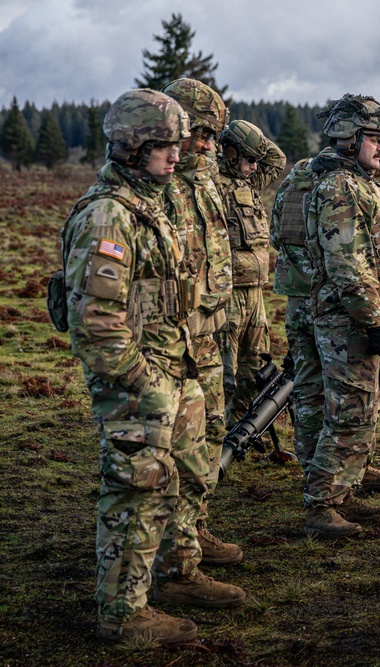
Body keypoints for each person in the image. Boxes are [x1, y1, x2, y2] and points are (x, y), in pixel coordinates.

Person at [61, 89, 243, 646]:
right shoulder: (109, 215)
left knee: (171, 483)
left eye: (177, 141)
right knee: (135, 491)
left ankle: (174, 574)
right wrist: (145, 382)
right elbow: (96, 324)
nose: (176, 152)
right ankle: (122, 614)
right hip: (137, 382)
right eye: (164, 143)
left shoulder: (149, 200)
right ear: (133, 146)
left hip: (169, 369)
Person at [298, 94, 380, 538]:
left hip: (361, 317)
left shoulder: (361, 182)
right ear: (348, 139)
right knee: (348, 411)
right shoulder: (339, 187)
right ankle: (321, 505)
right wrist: (370, 318)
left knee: (364, 407)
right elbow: (347, 261)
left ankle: (343, 493)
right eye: (374, 138)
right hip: (347, 320)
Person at [271, 136, 380, 495]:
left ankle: (327, 469)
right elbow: (347, 259)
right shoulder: (343, 187)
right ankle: (329, 480)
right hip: (336, 300)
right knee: (347, 395)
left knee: (310, 387)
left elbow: (276, 233)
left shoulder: (299, 176)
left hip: (300, 294)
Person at [161, 78, 242, 565]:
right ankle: (175, 547)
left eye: (214, 136)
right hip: (174, 341)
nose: (209, 144)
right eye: (201, 133)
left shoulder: (204, 182)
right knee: (178, 446)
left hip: (210, 333)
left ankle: (194, 527)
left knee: (212, 431)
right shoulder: (160, 187)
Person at [214, 119, 286, 432]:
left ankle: (240, 430)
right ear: (230, 154)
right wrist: (229, 139)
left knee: (253, 368)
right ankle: (213, 437)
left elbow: (277, 159)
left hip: (255, 293)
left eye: (256, 161)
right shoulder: (212, 184)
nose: (255, 167)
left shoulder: (250, 184)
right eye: (248, 159)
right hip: (226, 293)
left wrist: (249, 134)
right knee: (223, 372)